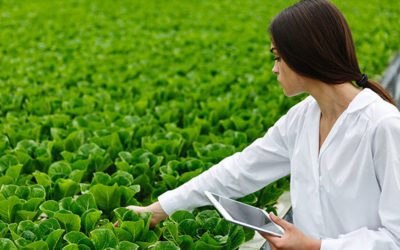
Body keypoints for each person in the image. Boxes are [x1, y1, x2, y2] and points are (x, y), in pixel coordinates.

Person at [119, 0, 400, 249]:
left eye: (278, 57)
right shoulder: (302, 118)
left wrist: (315, 246)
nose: (274, 68)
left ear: (305, 54)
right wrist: (159, 209)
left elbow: (395, 238)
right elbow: (238, 170)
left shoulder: (383, 126)